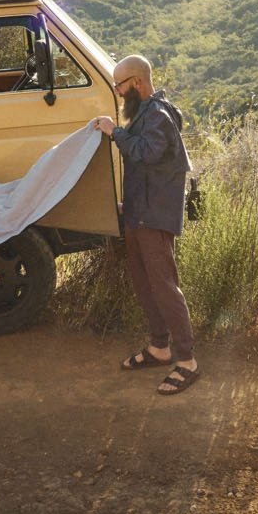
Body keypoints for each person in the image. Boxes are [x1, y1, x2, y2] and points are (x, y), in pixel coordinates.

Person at [91, 54, 199, 394]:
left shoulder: (158, 115)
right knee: (144, 283)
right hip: (139, 212)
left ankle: (187, 362)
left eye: (120, 85)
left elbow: (148, 153)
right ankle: (159, 347)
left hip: (155, 216)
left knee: (164, 286)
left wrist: (114, 132)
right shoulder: (143, 112)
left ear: (136, 82)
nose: (118, 91)